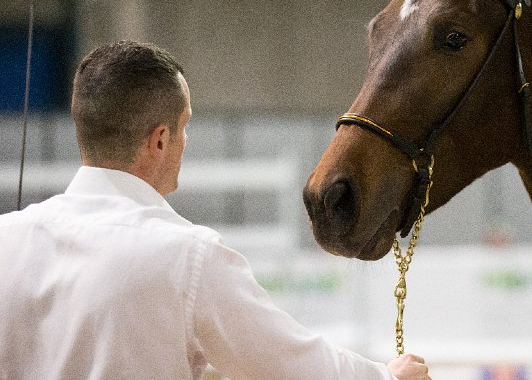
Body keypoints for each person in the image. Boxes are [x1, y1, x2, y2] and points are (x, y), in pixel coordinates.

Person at [0, 40, 431, 380]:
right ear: (160, 140)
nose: (185, 141)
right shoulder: (187, 256)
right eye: (184, 126)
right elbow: (289, 365)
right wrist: (387, 377)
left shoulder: (7, 239)